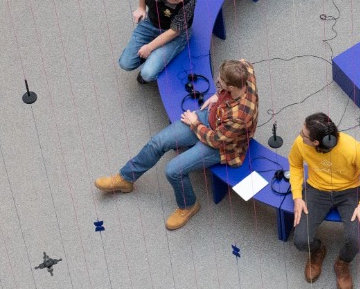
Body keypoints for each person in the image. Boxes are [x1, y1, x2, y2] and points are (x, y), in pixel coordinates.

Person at [96, 59, 258, 230]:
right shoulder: (244, 69)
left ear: (232, 88)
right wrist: (217, 96)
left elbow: (215, 140)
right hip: (212, 117)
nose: (218, 80)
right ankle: (125, 178)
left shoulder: (240, 114)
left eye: (222, 82)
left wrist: (195, 122)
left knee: (173, 171)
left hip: (223, 145)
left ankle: (188, 206)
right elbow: (243, 62)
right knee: (158, 142)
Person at [289, 112, 360, 289]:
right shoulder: (300, 144)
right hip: (316, 189)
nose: (300, 135)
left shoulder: (352, 148)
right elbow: (295, 165)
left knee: (356, 240)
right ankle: (318, 250)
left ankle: (342, 263)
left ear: (316, 143)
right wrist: (297, 196)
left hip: (348, 191)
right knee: (300, 240)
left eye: (304, 134)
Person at [120, 0, 196, 84]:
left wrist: (150, 47)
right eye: (175, 0)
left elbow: (174, 31)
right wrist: (141, 7)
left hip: (176, 32)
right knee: (125, 64)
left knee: (147, 74)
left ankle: (153, 59)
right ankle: (151, 56)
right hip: (152, 23)